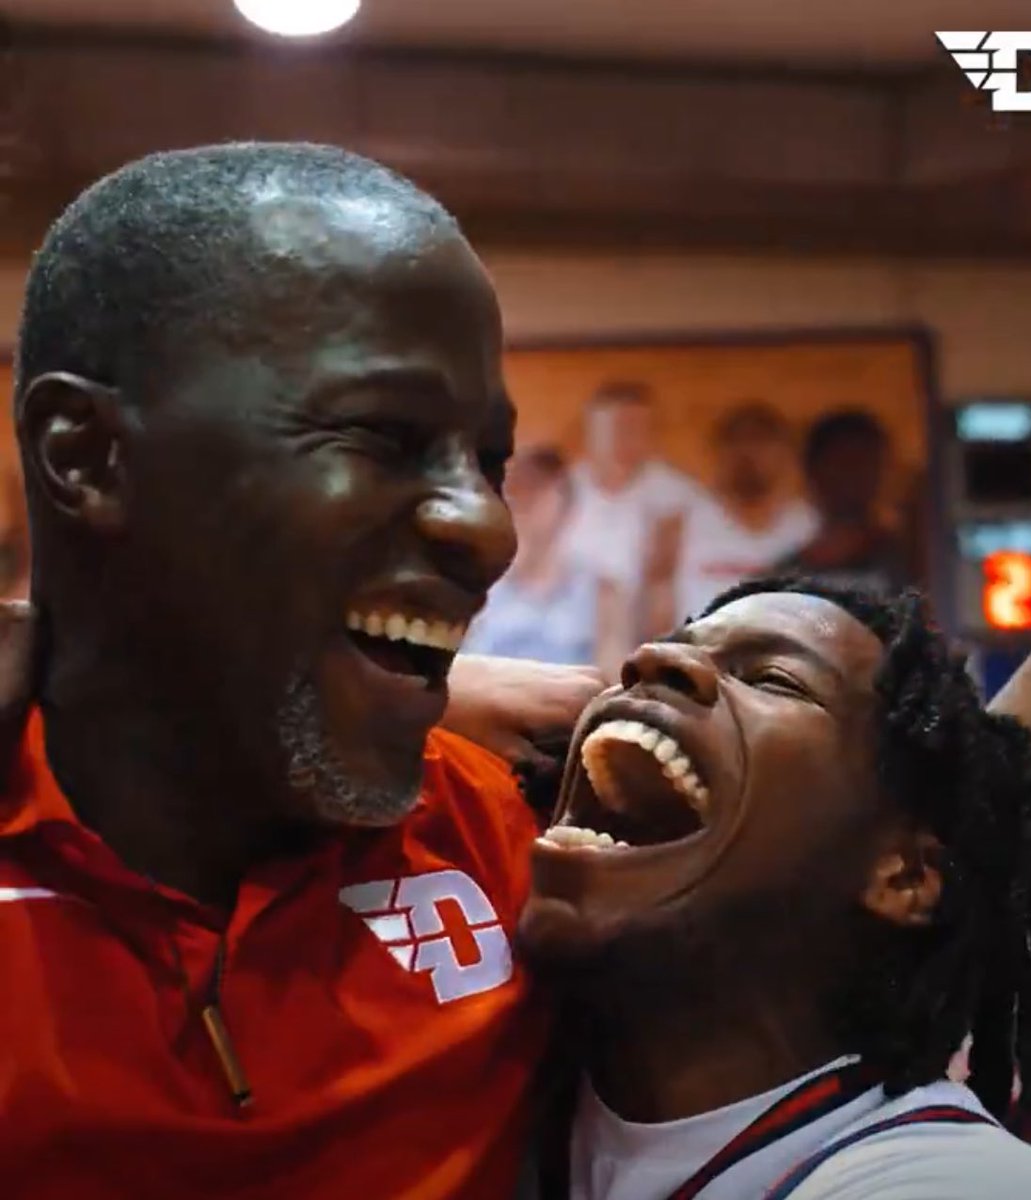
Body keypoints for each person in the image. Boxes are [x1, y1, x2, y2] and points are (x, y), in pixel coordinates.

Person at [0, 141, 587, 1200]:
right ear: (85, 455)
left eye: (489, 463)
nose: (489, 530)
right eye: (381, 436)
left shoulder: (528, 849)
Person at [519, 576, 1031, 1199]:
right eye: (673, 645)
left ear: (904, 876)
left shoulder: (960, 1185)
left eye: (773, 679)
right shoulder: (509, 1082)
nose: (652, 658)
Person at [561, 382, 703, 650]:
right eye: (614, 428)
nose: (624, 439)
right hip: (568, 632)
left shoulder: (677, 495)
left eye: (635, 429)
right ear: (591, 431)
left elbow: (667, 583)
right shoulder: (562, 491)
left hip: (648, 632)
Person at [464, 446, 624, 678]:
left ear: (567, 506)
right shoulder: (475, 587)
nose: (527, 502)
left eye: (539, 490)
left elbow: (613, 680)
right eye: (518, 491)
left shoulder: (602, 593)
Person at [676, 403, 818, 619]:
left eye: (761, 442)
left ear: (786, 452)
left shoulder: (810, 528)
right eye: (736, 441)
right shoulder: (682, 523)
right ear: (718, 451)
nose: (748, 453)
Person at [786, 410, 909, 594]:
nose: (853, 478)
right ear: (813, 471)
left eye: (865, 464)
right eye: (843, 463)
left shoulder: (911, 561)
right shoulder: (787, 576)